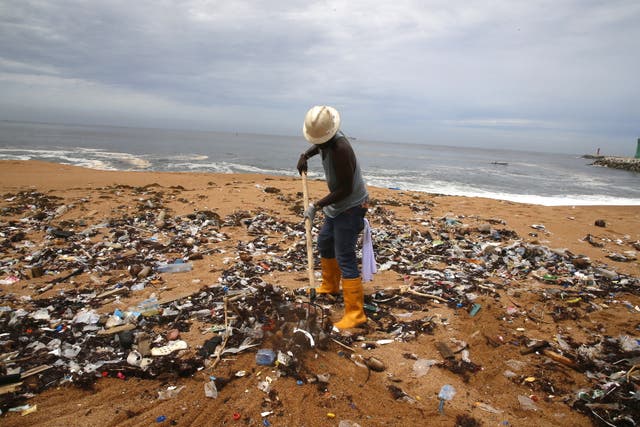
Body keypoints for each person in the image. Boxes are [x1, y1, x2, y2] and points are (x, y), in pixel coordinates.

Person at [296, 105, 369, 329]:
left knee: (344, 255)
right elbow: (319, 145)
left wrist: (316, 205)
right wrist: (305, 154)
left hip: (351, 206)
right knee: (325, 242)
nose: (318, 143)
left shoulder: (341, 149)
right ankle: (330, 286)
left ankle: (356, 314)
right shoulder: (326, 141)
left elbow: (345, 189)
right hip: (337, 206)